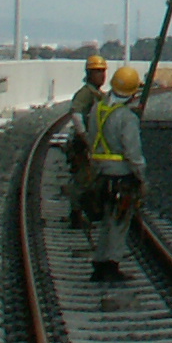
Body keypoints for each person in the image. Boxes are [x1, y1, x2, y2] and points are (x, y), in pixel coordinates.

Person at [85, 64, 149, 282]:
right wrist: (141, 177)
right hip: (122, 177)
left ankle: (99, 263)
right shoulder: (127, 117)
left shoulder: (98, 109)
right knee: (119, 222)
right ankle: (111, 265)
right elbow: (133, 152)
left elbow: (91, 138)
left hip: (101, 174)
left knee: (106, 221)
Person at [63, 53, 108, 230]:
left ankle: (84, 213)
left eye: (103, 71)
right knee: (82, 180)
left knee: (89, 180)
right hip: (83, 145)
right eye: (97, 71)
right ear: (89, 74)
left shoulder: (98, 95)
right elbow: (76, 115)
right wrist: (86, 138)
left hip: (92, 143)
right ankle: (76, 215)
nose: (101, 75)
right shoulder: (85, 94)